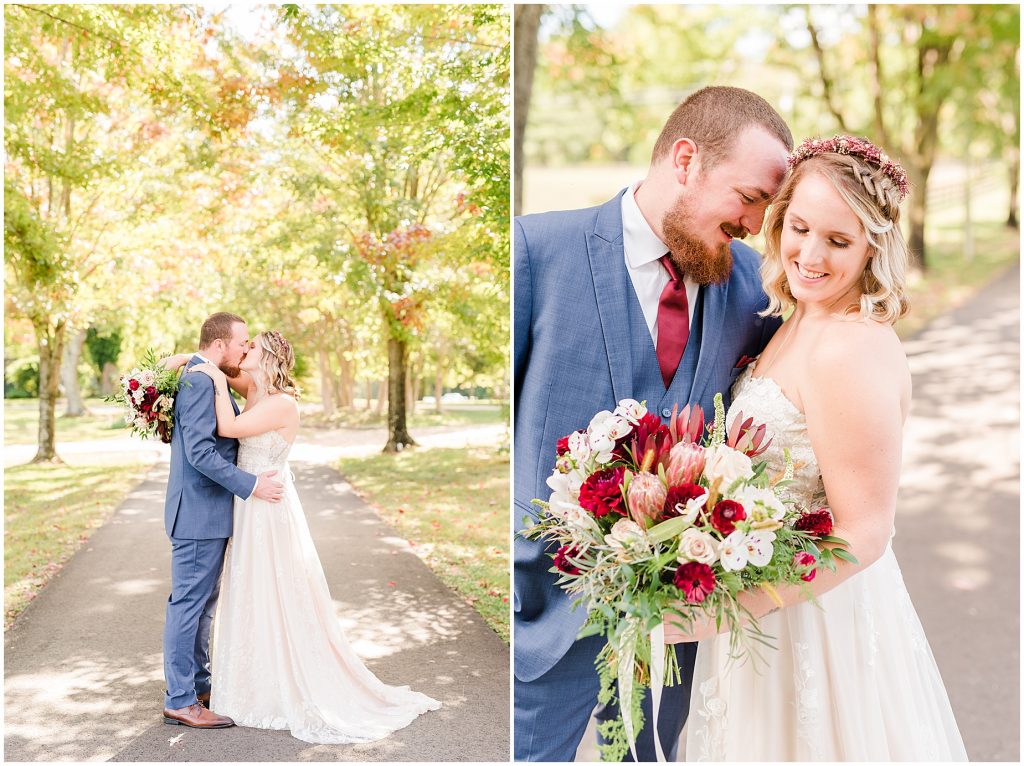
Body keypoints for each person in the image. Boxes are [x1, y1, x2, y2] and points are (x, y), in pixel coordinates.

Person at [666, 136, 968, 760]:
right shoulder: (798, 319)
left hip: (817, 625)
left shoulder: (849, 348)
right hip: (765, 616)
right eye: (799, 228)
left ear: (872, 249)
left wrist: (723, 613)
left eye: (838, 241)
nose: (809, 254)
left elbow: (864, 533)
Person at [513, 86, 793, 761]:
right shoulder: (534, 253)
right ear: (687, 160)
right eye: (750, 197)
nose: (755, 224)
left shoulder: (754, 287)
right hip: (538, 619)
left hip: (670, 634)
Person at [182, 329, 441, 744]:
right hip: (250, 506)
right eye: (244, 345)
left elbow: (227, 427)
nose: (244, 350)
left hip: (268, 507)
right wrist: (192, 361)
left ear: (268, 359)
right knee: (249, 589)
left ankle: (281, 681)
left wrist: (210, 376)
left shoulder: (282, 404)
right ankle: (250, 677)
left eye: (253, 348)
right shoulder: (251, 386)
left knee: (275, 590)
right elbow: (203, 364)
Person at [162, 312, 285, 729]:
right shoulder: (199, 381)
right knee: (189, 605)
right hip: (198, 512)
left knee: (202, 606)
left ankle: (197, 685)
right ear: (220, 345)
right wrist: (250, 485)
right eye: (242, 341)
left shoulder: (207, 373)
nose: (245, 348)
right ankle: (181, 699)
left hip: (209, 512)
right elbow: (200, 453)